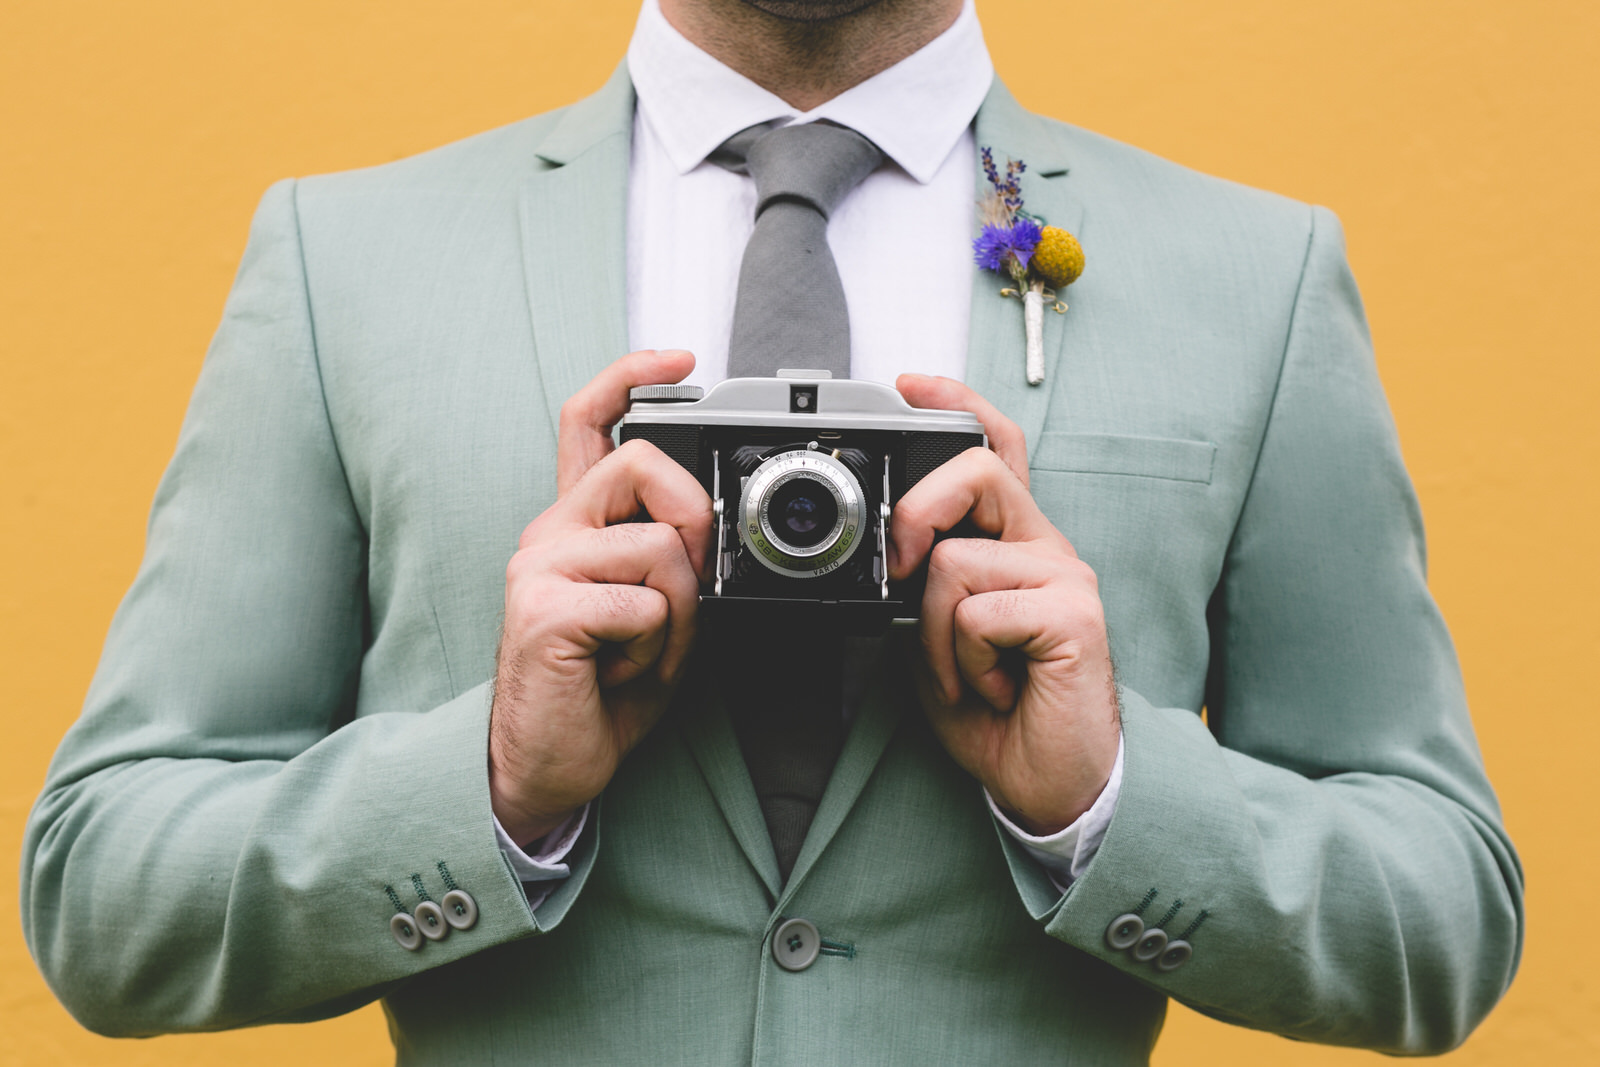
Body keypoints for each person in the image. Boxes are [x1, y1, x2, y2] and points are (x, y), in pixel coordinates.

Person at [22, 0, 1522, 1062]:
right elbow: (102, 900)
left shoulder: (1254, 276)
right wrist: (488, 789)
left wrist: (1106, 802)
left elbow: (1442, 918)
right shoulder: (347, 259)